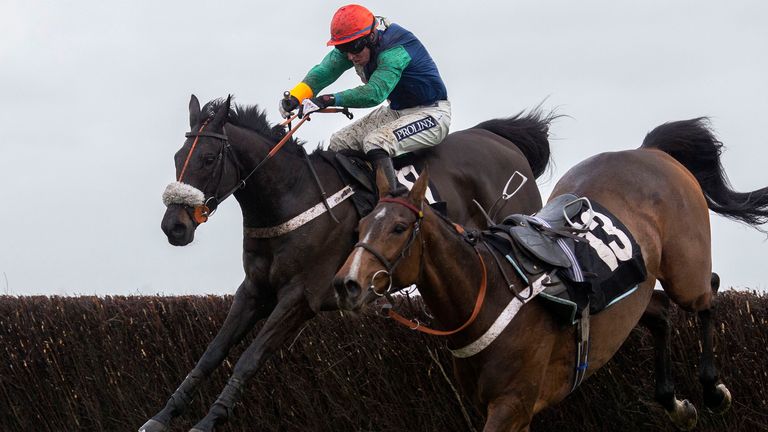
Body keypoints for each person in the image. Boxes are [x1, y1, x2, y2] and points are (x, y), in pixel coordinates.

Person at [280, 4, 450, 193]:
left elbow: (374, 93)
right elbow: (325, 71)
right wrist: (296, 96)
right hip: (396, 112)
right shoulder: (356, 43)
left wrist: (328, 99)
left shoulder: (395, 51)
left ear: (371, 36)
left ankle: (392, 204)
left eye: (354, 48)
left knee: (375, 142)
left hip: (432, 115)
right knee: (339, 143)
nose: (351, 56)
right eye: (343, 49)